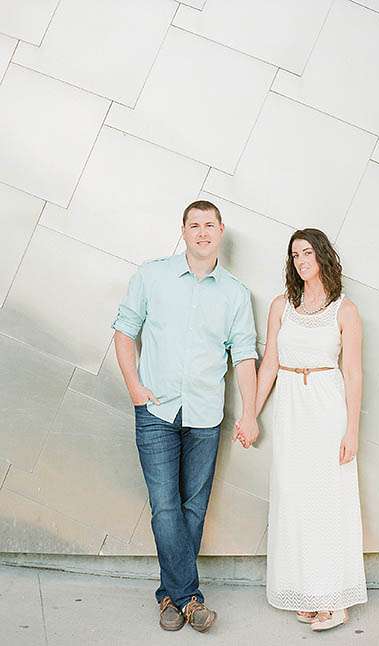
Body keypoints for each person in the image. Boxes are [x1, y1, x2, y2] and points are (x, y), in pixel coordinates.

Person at [112, 200, 259, 632]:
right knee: (164, 508)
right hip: (156, 410)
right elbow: (124, 333)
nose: (202, 232)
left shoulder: (235, 293)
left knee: (193, 508)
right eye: (194, 225)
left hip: (205, 414)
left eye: (209, 225)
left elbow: (245, 356)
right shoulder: (152, 276)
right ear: (183, 231)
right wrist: (136, 390)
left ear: (221, 231)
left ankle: (170, 599)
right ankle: (190, 598)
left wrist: (249, 413)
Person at [235, 228, 367, 631]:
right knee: (296, 500)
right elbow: (270, 363)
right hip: (291, 407)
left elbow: (354, 374)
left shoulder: (345, 310)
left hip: (327, 408)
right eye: (295, 255)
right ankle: (308, 593)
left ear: (323, 256)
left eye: (308, 253)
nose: (301, 260)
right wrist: (250, 414)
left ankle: (334, 600)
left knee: (327, 501)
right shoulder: (281, 306)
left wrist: (352, 432)